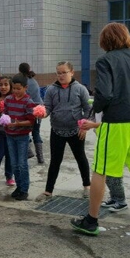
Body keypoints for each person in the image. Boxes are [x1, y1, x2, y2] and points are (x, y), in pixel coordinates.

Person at [71, 22, 130, 242]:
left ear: (105, 41)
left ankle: (91, 221)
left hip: (115, 125)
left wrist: (98, 109)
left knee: (101, 171)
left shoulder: (105, 60)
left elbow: (104, 93)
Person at [36, 61, 91, 202]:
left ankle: (87, 186)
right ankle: (48, 190)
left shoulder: (80, 89)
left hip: (76, 130)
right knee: (55, 160)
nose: (61, 75)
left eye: (64, 72)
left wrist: (84, 126)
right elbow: (48, 107)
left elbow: (88, 109)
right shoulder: (51, 90)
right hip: (57, 130)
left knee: (81, 158)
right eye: (58, 73)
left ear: (71, 72)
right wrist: (43, 113)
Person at [3, 74, 36, 201]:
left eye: (18, 89)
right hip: (10, 135)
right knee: (14, 163)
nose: (16, 91)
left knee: (22, 164)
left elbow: (31, 121)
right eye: (14, 88)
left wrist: (18, 124)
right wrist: (5, 121)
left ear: (25, 87)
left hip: (22, 136)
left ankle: (24, 189)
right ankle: (18, 186)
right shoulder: (8, 99)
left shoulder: (28, 102)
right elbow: (5, 114)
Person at [0, 75, 15, 186]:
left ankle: (9, 176)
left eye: (6, 85)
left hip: (11, 132)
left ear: (11, 86)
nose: (3, 87)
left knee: (10, 155)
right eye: (1, 85)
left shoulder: (14, 98)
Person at [18, 62, 44, 163]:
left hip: (29, 109)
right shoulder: (34, 80)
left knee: (24, 130)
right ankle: (40, 157)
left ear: (19, 70)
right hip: (39, 109)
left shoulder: (23, 82)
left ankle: (28, 151)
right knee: (36, 132)